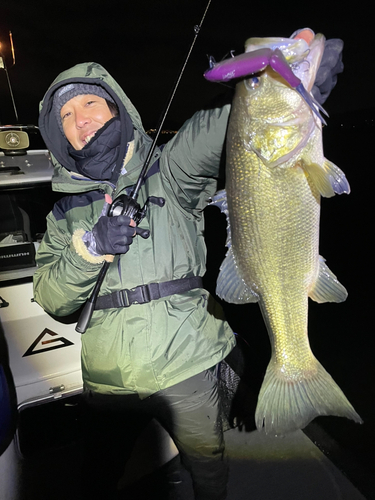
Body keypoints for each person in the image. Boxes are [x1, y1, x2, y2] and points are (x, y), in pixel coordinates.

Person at [33, 62, 236, 500]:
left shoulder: (171, 169)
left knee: (210, 474)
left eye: (89, 103)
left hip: (185, 364)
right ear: (58, 134)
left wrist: (276, 86)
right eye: (65, 116)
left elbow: (215, 129)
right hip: (108, 382)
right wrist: (89, 247)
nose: (79, 119)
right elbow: (51, 298)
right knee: (97, 480)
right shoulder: (63, 214)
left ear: (117, 110)